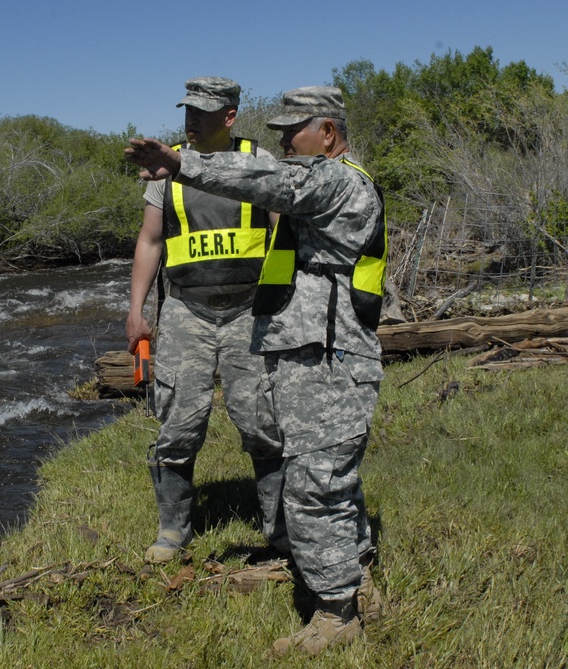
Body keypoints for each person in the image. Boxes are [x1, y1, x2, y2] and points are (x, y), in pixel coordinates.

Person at [125, 86, 387, 656]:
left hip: (332, 361)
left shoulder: (336, 181)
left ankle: (338, 614)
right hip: (311, 356)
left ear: (329, 133)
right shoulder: (320, 178)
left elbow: (266, 182)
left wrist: (179, 163)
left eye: (295, 129)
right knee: (323, 480)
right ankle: (348, 576)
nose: (283, 140)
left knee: (317, 484)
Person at [125, 76, 286, 565]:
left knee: (262, 422)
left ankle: (278, 529)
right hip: (185, 313)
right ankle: (173, 528)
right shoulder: (165, 166)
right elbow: (150, 242)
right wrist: (135, 313)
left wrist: (283, 306)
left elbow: (285, 237)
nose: (191, 120)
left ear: (230, 116)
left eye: (202, 112)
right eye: (187, 110)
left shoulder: (260, 164)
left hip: (249, 312)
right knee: (177, 422)